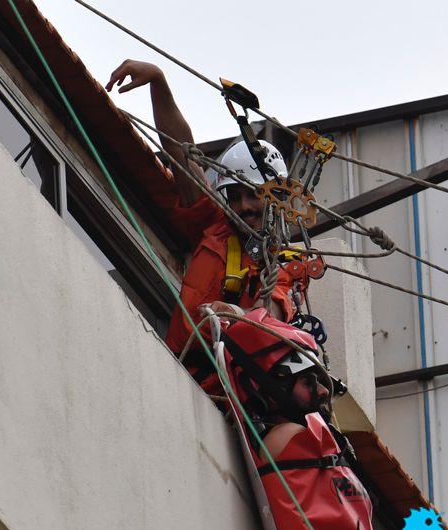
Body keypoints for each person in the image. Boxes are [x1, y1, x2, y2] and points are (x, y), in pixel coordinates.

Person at [105, 59, 310, 381]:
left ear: (278, 198)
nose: (243, 206)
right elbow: (181, 154)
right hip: (180, 373)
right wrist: (159, 83)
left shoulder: (287, 264)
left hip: (228, 391)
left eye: (253, 194)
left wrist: (239, 315)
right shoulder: (215, 226)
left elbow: (274, 309)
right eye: (235, 196)